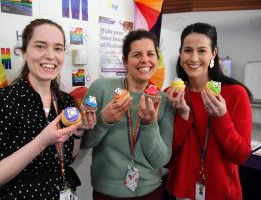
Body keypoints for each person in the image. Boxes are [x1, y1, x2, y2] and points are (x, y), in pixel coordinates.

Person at [0, 18, 96, 199]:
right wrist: (41, 142)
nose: (51, 55)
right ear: (24, 53)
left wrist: (78, 132)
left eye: (58, 48)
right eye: (40, 46)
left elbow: (68, 158)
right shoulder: (2, 101)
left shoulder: (65, 101)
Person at [81, 29, 174, 199]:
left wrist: (149, 125)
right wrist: (104, 121)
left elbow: (161, 160)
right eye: (137, 54)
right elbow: (84, 141)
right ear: (125, 61)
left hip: (150, 192)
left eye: (150, 54)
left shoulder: (164, 101)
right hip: (106, 191)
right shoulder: (101, 88)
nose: (145, 60)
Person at [165, 22, 253, 200]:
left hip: (221, 192)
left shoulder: (235, 93)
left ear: (213, 53)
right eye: (187, 50)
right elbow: (167, 154)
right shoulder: (171, 94)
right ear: (181, 54)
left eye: (202, 51)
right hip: (180, 191)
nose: (193, 58)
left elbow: (241, 155)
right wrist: (182, 116)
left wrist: (221, 117)